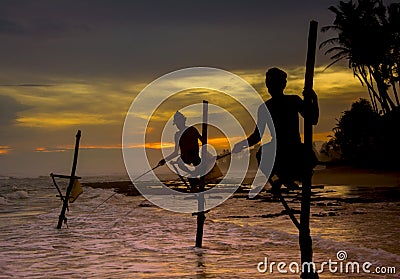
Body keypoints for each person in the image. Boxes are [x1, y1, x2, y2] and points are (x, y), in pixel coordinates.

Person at [232, 67, 319, 194]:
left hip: (293, 148)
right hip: (278, 150)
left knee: (310, 159)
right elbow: (257, 136)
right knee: (261, 154)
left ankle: (284, 179)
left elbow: (312, 120)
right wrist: (241, 145)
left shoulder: (293, 101)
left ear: (283, 84)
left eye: (274, 83)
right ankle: (284, 179)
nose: (271, 86)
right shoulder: (265, 107)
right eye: (269, 83)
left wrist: (314, 100)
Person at [158, 111, 204, 192]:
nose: (178, 125)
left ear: (183, 121)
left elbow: (204, 142)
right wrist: (164, 160)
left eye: (179, 122)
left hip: (195, 157)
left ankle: (194, 179)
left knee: (189, 167)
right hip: (185, 158)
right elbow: (176, 152)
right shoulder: (177, 134)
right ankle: (194, 180)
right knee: (181, 163)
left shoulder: (192, 130)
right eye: (177, 124)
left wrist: (207, 155)